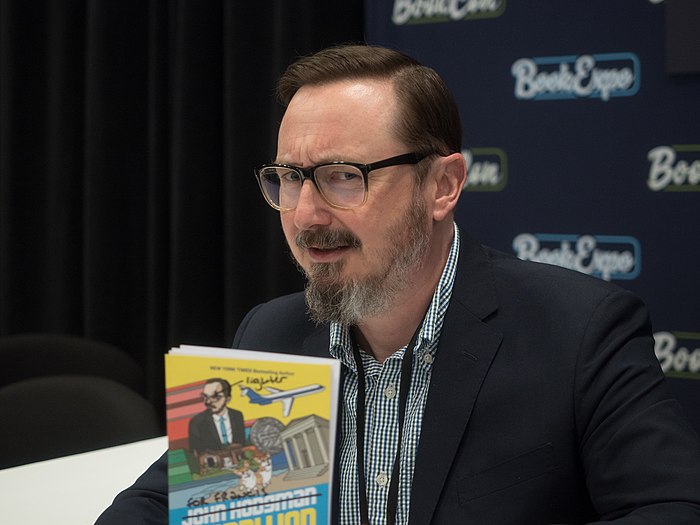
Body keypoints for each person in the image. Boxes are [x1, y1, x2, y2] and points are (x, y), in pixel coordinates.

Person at [95, 43, 700, 524]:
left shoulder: (577, 331)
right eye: (287, 178)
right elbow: (163, 503)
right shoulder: (270, 333)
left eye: (341, 176)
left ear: (442, 186)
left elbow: (673, 507)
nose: (305, 215)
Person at [187, 378, 245, 454]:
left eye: (216, 397)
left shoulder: (237, 415)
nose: (208, 402)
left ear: (228, 399)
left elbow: (241, 444)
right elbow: (196, 453)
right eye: (205, 396)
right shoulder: (197, 422)